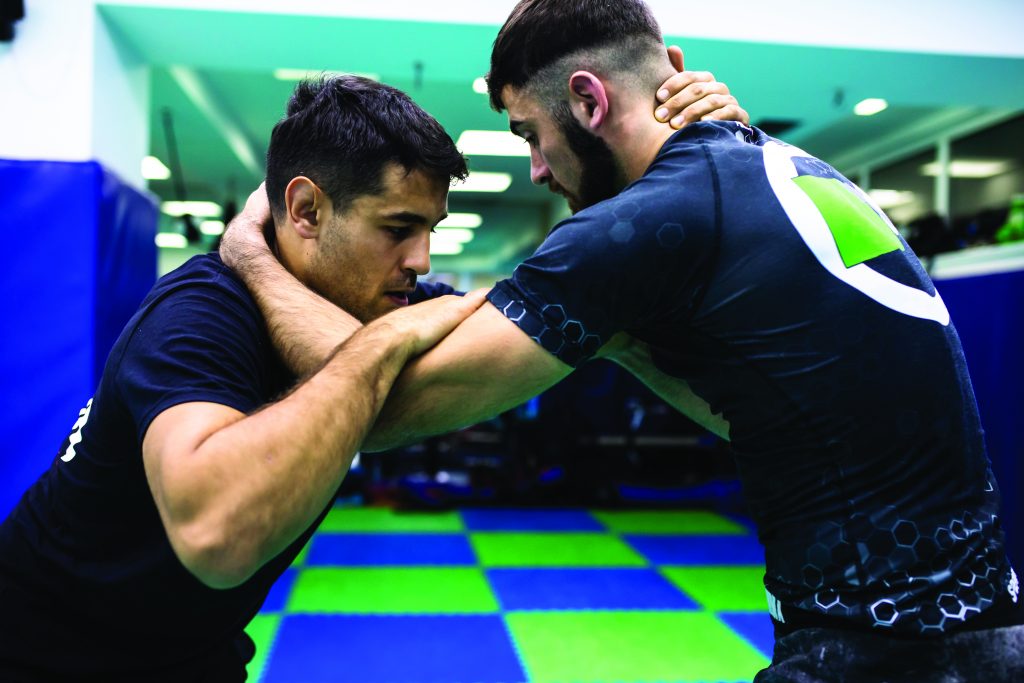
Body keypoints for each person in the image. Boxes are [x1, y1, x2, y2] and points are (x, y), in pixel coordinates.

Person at [221, 1, 1024, 681]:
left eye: (531, 133)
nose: (536, 168)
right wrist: (603, 334)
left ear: (588, 100)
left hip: (883, 650)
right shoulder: (777, 163)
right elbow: (767, 408)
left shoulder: (640, 226)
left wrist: (254, 260)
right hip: (989, 629)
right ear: (671, 66)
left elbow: (386, 407)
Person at [0, 65, 740, 679]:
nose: (419, 262)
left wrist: (714, 148)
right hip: (45, 649)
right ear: (307, 209)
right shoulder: (198, 314)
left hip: (191, 650)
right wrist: (382, 345)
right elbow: (216, 530)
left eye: (429, 231)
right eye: (397, 229)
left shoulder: (387, 299)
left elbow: (584, 314)